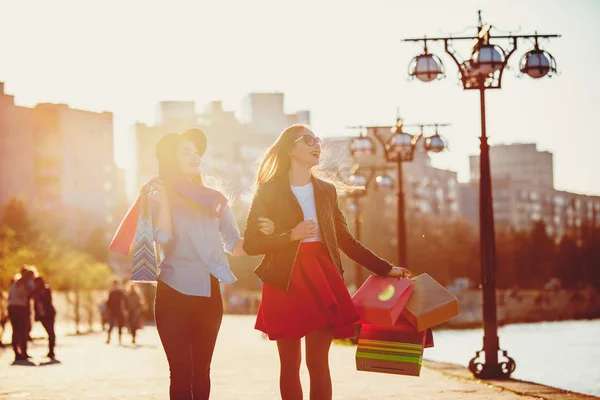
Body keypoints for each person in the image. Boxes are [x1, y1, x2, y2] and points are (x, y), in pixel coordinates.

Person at [244, 124, 410, 400]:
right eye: (308, 140)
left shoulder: (326, 191)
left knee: (318, 363)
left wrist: (386, 268)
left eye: (317, 140)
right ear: (289, 147)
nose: (316, 144)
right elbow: (250, 243)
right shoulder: (268, 190)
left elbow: (345, 240)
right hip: (283, 280)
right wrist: (290, 236)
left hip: (320, 276)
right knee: (289, 365)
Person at [150, 129, 274, 400]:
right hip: (172, 292)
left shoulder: (214, 199)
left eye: (196, 152)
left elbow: (235, 244)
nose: (194, 156)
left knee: (201, 371)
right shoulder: (158, 195)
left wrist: (266, 235)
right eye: (186, 152)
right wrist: (167, 199)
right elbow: (162, 239)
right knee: (181, 371)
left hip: (208, 294)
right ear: (172, 159)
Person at [7, 267, 36, 362]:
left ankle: (20, 352)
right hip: (20, 308)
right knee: (22, 330)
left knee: (17, 330)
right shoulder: (24, 283)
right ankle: (21, 352)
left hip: (12, 307)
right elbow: (29, 295)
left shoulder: (15, 281)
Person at [32, 276, 57, 359]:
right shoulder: (35, 291)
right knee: (49, 332)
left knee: (51, 332)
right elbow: (35, 305)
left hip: (49, 314)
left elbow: (48, 301)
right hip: (42, 315)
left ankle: (51, 351)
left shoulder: (46, 289)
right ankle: (50, 351)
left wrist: (40, 296)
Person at [106, 279, 126, 345]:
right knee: (111, 325)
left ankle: (120, 340)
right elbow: (108, 303)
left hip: (119, 311)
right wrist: (107, 311)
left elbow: (123, 301)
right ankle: (108, 339)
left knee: (120, 326)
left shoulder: (120, 292)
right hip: (112, 311)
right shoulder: (111, 293)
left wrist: (123, 310)